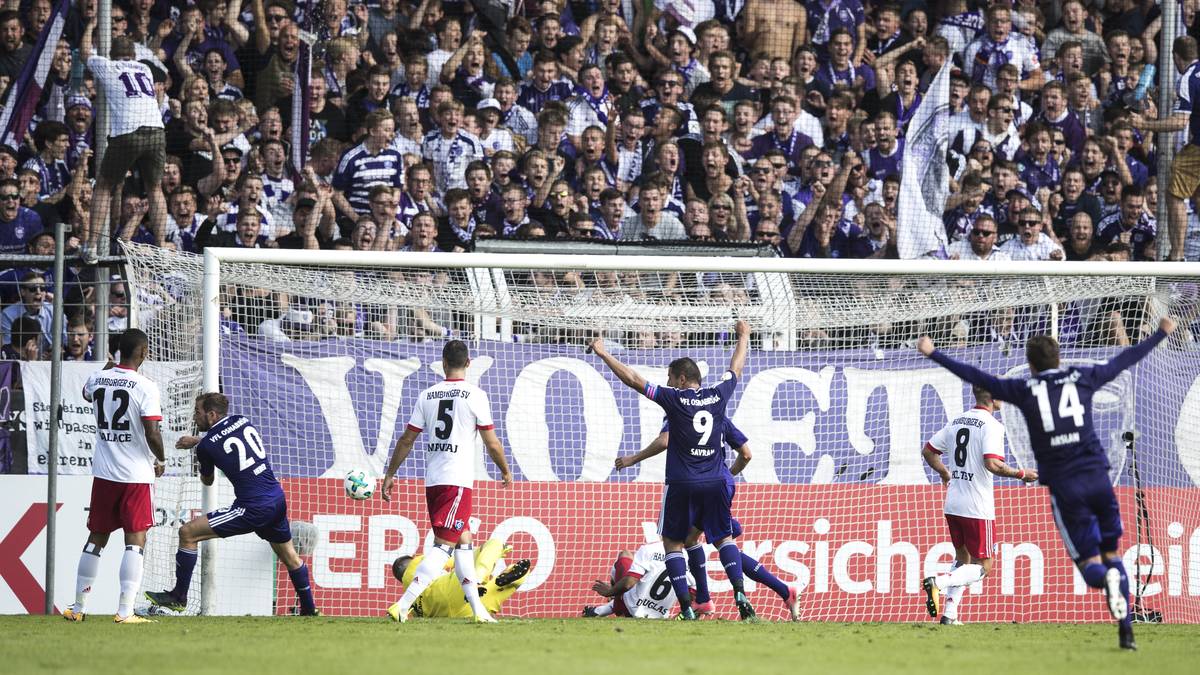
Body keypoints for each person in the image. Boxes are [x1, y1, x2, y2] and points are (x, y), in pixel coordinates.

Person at [916, 316, 1179, 650]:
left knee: (1091, 568)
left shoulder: (1024, 390)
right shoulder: (1083, 377)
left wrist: (933, 353)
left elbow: (976, 376)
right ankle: (1126, 633)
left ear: (1030, 365)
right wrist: (1159, 334)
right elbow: (1123, 361)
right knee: (1112, 554)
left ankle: (946, 598)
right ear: (1060, 358)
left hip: (1064, 488)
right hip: (1098, 477)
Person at [588, 320, 756, 621]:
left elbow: (634, 380)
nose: (668, 381)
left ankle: (688, 608)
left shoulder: (674, 399)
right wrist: (743, 336)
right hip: (717, 480)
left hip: (682, 482)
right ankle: (740, 592)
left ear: (680, 379)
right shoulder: (718, 395)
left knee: (673, 544)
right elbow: (736, 368)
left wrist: (603, 354)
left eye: (669, 377)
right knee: (725, 540)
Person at [145, 393, 318, 616]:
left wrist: (201, 450)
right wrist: (200, 442)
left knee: (187, 533)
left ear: (211, 414)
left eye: (197, 412)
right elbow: (230, 442)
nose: (195, 417)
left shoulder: (206, 447)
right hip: (276, 498)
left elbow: (208, 480)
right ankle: (308, 609)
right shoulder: (242, 420)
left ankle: (178, 597)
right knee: (290, 556)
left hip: (252, 507)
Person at [380, 340, 514, 623]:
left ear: (443, 363)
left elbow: (407, 439)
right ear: (469, 363)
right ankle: (402, 605)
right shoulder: (475, 395)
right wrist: (504, 469)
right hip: (457, 481)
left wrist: (390, 473)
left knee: (464, 543)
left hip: (435, 481)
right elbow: (491, 442)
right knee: (443, 547)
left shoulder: (427, 395)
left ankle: (478, 611)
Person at [615, 418, 801, 621]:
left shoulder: (681, 409)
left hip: (694, 486)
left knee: (691, 542)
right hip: (718, 487)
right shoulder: (718, 414)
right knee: (705, 542)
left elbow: (665, 440)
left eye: (673, 382)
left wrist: (632, 459)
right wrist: (727, 476)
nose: (671, 384)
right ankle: (780, 590)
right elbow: (746, 454)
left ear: (682, 383)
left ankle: (707, 598)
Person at [64, 330, 166, 624]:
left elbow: (86, 394)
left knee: (96, 538)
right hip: (135, 475)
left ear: (118, 350)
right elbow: (152, 432)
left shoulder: (96, 379)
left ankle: (78, 606)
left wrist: (108, 368)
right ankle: (125, 611)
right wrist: (161, 458)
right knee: (135, 540)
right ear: (144, 352)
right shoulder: (146, 386)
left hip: (104, 472)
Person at [919, 385, 1037, 625]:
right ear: (992, 398)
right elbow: (993, 464)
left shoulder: (957, 421)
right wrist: (1021, 473)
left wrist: (944, 473)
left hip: (953, 502)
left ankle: (950, 615)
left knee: (963, 559)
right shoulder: (993, 426)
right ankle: (938, 583)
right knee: (985, 567)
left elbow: (929, 451)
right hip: (977, 506)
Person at [81, 32, 168, 260]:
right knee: (155, 188)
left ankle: (91, 246)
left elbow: (84, 53)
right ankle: (161, 244)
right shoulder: (145, 69)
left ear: (112, 54)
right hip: (156, 129)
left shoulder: (107, 66)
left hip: (128, 132)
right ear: (133, 54)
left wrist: (90, 25)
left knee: (103, 186)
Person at [390, 540, 531, 618]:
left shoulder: (409, 599)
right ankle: (479, 577)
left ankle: (485, 587)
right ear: (411, 560)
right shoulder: (418, 562)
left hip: (457, 613)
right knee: (494, 544)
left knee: (486, 603)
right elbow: (457, 559)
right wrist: (486, 552)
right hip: (450, 588)